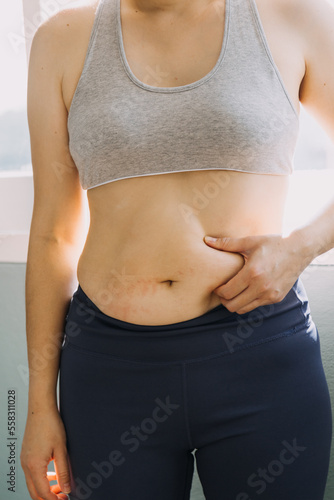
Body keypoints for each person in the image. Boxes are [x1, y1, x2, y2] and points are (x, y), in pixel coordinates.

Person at [20, 0, 333, 498]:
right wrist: (39, 407)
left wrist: (301, 246)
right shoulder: (62, 38)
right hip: (109, 372)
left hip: (260, 357)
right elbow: (52, 233)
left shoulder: (291, 16)